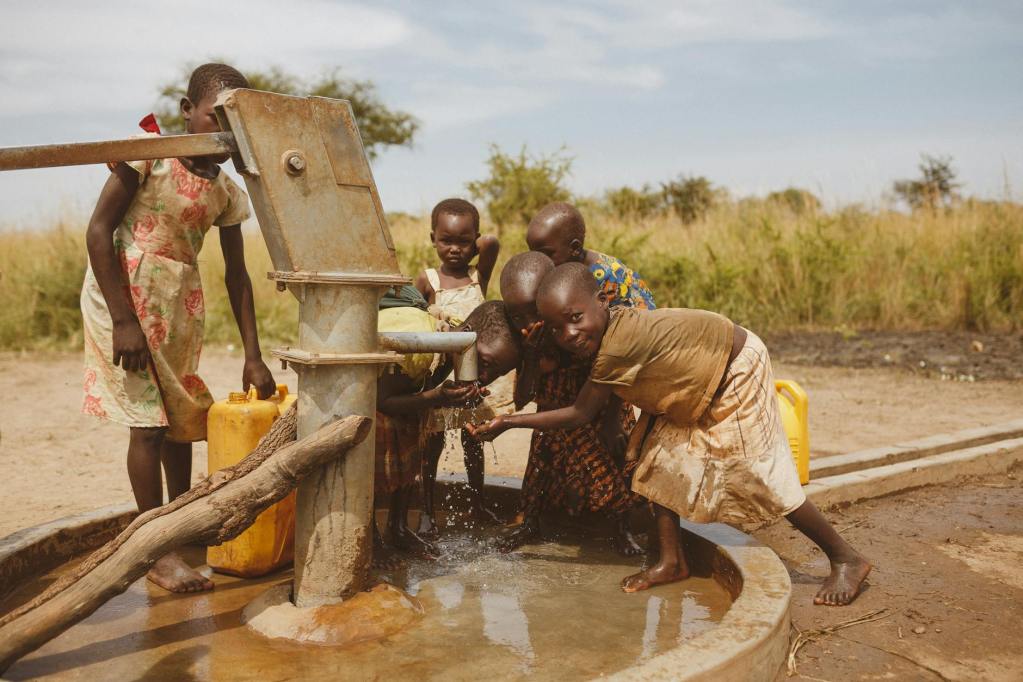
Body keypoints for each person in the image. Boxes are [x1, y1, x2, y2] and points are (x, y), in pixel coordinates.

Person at [470, 263, 872, 606]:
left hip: (735, 371)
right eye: (557, 328)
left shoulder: (616, 347)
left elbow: (580, 413)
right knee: (655, 463)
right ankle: (672, 561)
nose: (570, 334)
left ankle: (845, 557)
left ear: (603, 301)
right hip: (699, 382)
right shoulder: (608, 332)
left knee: (761, 474)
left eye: (575, 318)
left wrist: (506, 423)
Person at [81, 63, 275, 593]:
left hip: (178, 306)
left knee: (182, 419)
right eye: (214, 117)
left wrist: (252, 354)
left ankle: (179, 524)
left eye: (233, 124)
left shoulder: (229, 192)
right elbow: (99, 232)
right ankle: (155, 551)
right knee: (147, 421)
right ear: (187, 110)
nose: (221, 133)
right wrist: (123, 319)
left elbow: (237, 275)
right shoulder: (149, 157)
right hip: (122, 294)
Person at [499, 251, 643, 555]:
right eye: (518, 317)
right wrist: (531, 355)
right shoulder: (534, 338)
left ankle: (622, 527)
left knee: (615, 464)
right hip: (553, 416)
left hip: (602, 407)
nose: (528, 324)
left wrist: (612, 420)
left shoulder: (577, 327)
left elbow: (614, 376)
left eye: (532, 313)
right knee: (540, 470)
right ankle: (530, 523)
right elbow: (522, 397)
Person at [375, 299, 521, 564]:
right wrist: (436, 396)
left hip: (393, 390)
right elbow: (381, 401)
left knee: (410, 438)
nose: (486, 376)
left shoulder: (453, 339)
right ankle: (370, 539)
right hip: (365, 396)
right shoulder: (421, 345)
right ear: (466, 335)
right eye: (485, 363)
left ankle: (397, 528)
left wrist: (446, 396)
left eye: (498, 372)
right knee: (379, 455)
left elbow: (419, 390)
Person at [414, 199, 510, 533]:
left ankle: (477, 505)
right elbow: (415, 323)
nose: (454, 249)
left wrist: (476, 244)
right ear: (432, 239)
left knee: (474, 441)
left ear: (473, 242)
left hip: (472, 379)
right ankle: (427, 512)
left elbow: (493, 244)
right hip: (442, 378)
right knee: (432, 445)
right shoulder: (427, 281)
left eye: (463, 242)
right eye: (446, 241)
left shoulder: (476, 277)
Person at [525, 201, 656, 309]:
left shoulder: (606, 278)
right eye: (534, 253)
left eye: (546, 253)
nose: (538, 261)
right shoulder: (567, 266)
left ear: (575, 249)